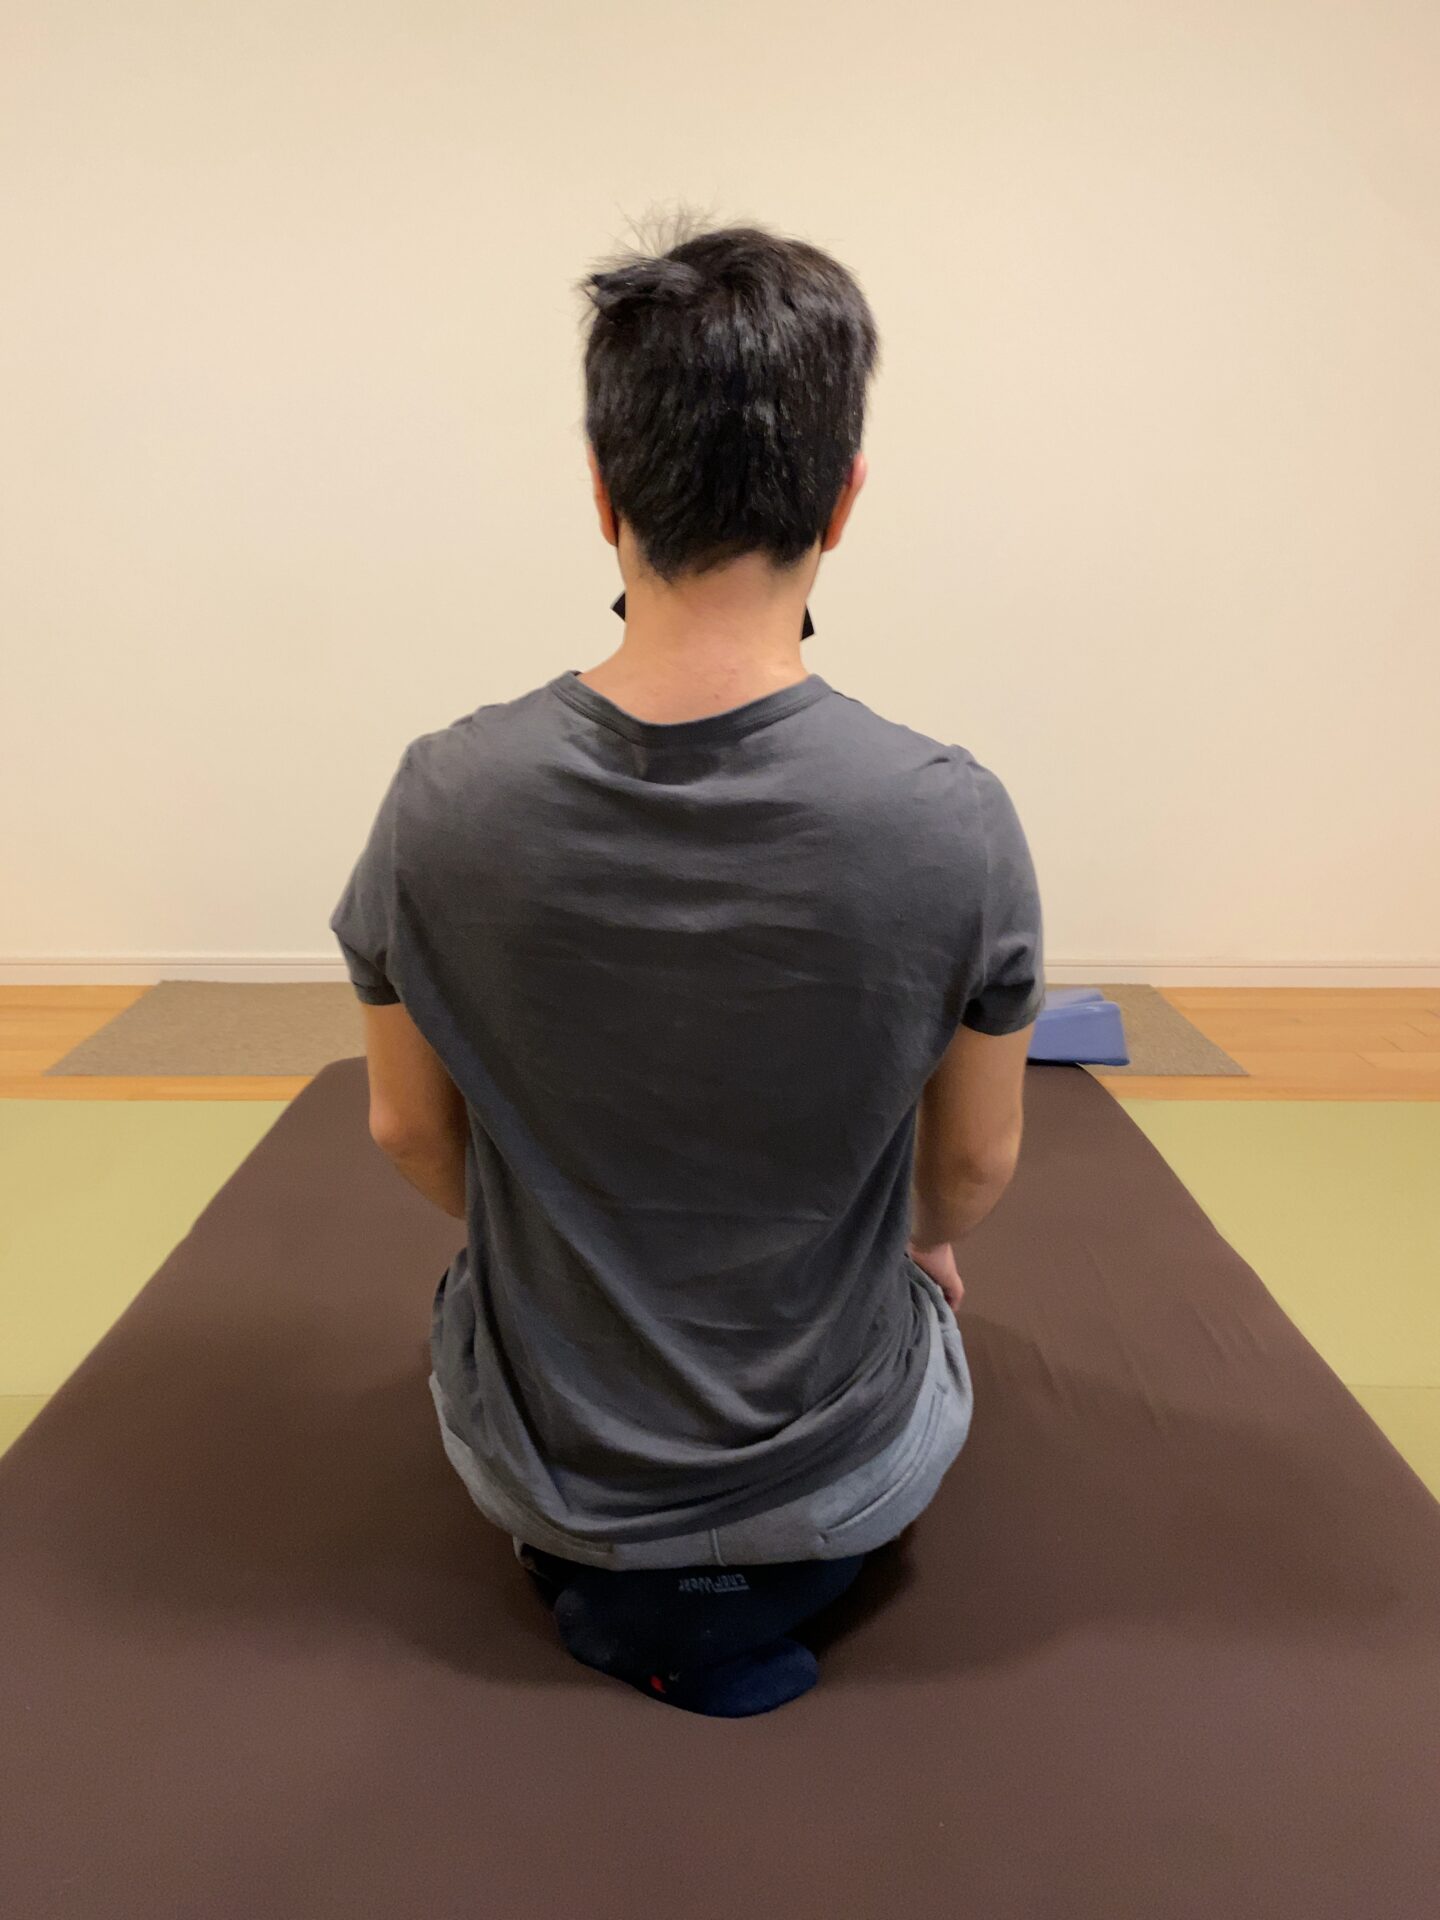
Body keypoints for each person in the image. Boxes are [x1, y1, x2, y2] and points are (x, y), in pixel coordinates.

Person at [329, 211, 1044, 1716]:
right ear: (843, 500)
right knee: (925, 1295)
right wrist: (908, 1242)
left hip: (540, 1480)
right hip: (848, 1488)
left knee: (480, 1286)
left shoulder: (440, 798)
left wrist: (576, 1256)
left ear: (603, 491)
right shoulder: (952, 818)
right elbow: (970, 1176)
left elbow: (407, 1131)